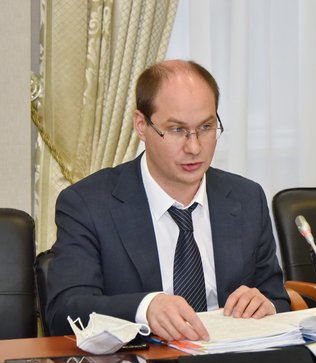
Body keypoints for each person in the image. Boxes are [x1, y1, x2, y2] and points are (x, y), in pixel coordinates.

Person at [46, 60, 290, 340]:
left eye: (206, 127)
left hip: (230, 360)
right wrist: (144, 308)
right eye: (176, 130)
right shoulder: (88, 203)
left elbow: (278, 299)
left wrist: (266, 305)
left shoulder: (247, 199)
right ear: (141, 125)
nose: (194, 147)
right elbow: (65, 312)